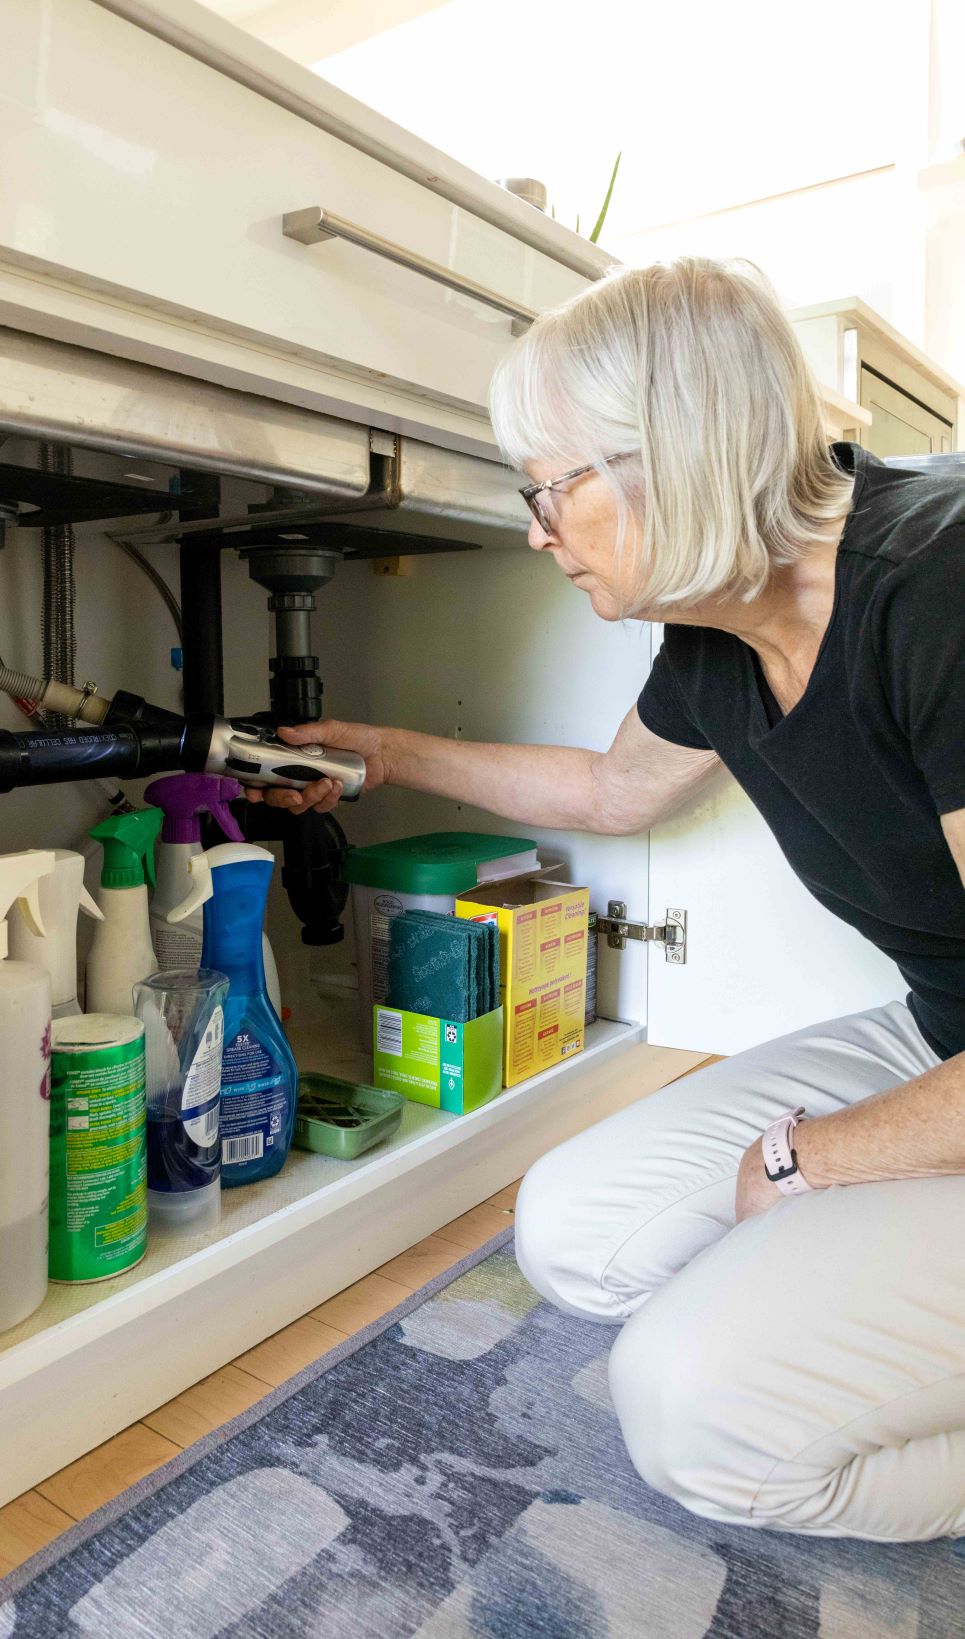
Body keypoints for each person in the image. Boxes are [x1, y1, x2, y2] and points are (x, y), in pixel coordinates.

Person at [246, 258, 965, 1543]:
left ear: (670, 454)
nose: (535, 528)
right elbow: (608, 791)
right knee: (575, 1235)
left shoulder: (943, 585)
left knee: (704, 1418)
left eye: (550, 486)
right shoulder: (718, 632)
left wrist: (806, 1160)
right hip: (944, 1031)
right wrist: (377, 752)